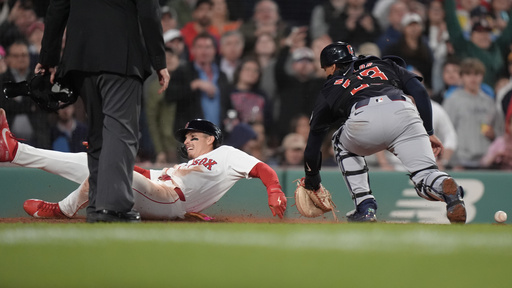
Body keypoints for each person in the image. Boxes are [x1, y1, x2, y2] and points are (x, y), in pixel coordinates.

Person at [0, 112, 287, 221]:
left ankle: (61, 210)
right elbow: (145, 175)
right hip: (157, 191)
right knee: (89, 162)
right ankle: (14, 151)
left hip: (171, 200)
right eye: (185, 137)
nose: (187, 141)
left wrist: (274, 187)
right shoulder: (186, 165)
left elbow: (263, 169)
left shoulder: (225, 154)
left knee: (106, 167)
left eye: (194, 136)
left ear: (211, 138)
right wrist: (112, 158)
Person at [35, 0, 170, 223]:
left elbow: (56, 9)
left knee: (98, 134)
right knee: (120, 132)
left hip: (80, 58)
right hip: (121, 56)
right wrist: (159, 60)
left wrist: (48, 59)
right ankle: (113, 207)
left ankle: (98, 205)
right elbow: (149, 11)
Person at [302, 41, 466, 224]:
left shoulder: (332, 86)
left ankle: (365, 207)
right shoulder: (382, 64)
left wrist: (312, 182)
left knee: (340, 143)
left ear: (332, 66)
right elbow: (420, 92)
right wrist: (428, 131)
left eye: (326, 69)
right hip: (404, 112)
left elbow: (313, 144)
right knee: (425, 175)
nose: (326, 73)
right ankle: (448, 190)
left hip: (364, 118)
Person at [442, 58, 498, 169]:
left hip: (487, 161)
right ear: (462, 77)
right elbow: (446, 132)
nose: (473, 78)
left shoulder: (489, 101)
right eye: (468, 74)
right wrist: (452, 161)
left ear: (482, 76)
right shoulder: (452, 100)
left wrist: (494, 134)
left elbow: (499, 130)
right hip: (461, 162)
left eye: (477, 74)